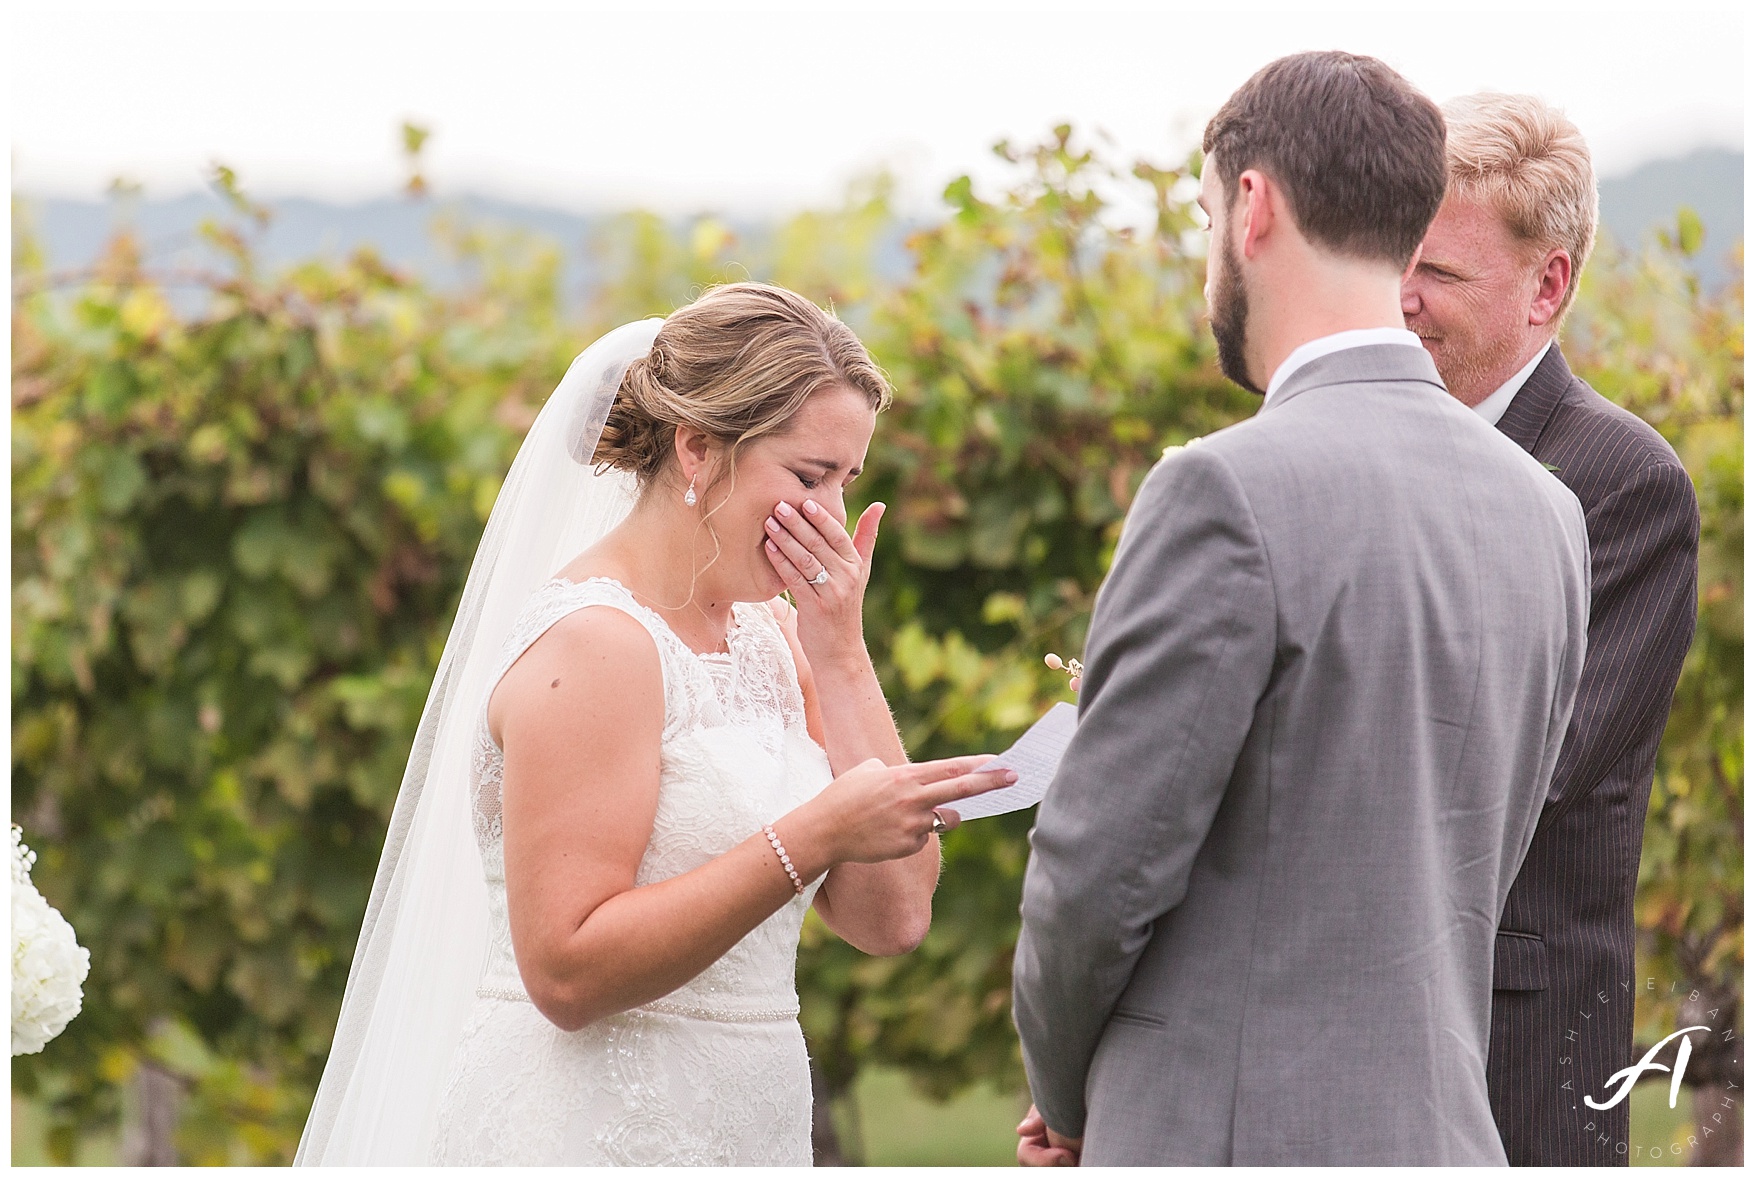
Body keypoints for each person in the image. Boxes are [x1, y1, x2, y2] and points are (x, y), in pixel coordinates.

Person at [1011, 52, 1590, 1166]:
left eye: (1202, 219)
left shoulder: (1220, 488)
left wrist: (1068, 1094)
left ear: (1251, 205)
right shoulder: (1548, 511)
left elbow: (1094, 875)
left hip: (1227, 1131)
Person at [295, 283, 1010, 1165]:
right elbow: (565, 969)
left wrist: (840, 653)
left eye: (846, 481)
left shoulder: (777, 637)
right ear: (699, 449)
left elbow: (890, 920)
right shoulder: (596, 644)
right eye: (806, 475)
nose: (827, 516)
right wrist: (808, 835)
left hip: (748, 1125)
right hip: (585, 1129)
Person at [1402, 93, 1700, 1165]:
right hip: (1354, 1036)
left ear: (1549, 284)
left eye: (1437, 272)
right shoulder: (1370, 451)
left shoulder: (1624, 486)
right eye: (1397, 259)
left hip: (1515, 1048)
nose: (1401, 300)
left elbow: (1534, 766)